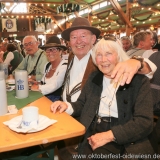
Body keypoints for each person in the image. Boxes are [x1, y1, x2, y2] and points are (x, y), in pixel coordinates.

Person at [49, 17, 156, 159]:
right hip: (91, 128)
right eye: (99, 55)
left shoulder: (136, 80)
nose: (103, 59)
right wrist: (66, 106)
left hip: (124, 136)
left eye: (109, 54)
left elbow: (145, 122)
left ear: (119, 55)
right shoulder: (95, 77)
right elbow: (82, 103)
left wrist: (137, 62)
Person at [31, 36, 67, 102]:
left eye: (54, 49)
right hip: (44, 98)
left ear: (60, 51)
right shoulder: (47, 65)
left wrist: (38, 87)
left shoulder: (64, 66)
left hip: (56, 102)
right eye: (48, 50)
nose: (50, 53)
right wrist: (37, 83)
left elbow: (55, 85)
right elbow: (45, 83)